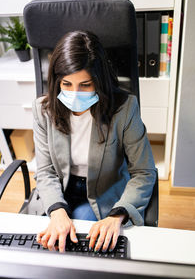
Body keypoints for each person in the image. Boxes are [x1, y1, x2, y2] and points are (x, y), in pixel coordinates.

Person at [29, 30, 156, 253]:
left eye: (85, 85)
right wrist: (58, 211)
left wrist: (118, 215)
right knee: (41, 240)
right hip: (60, 188)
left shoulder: (124, 109)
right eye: (66, 84)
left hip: (103, 191)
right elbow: (46, 170)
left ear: (99, 80)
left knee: (76, 243)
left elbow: (144, 171)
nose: (75, 94)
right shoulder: (43, 110)